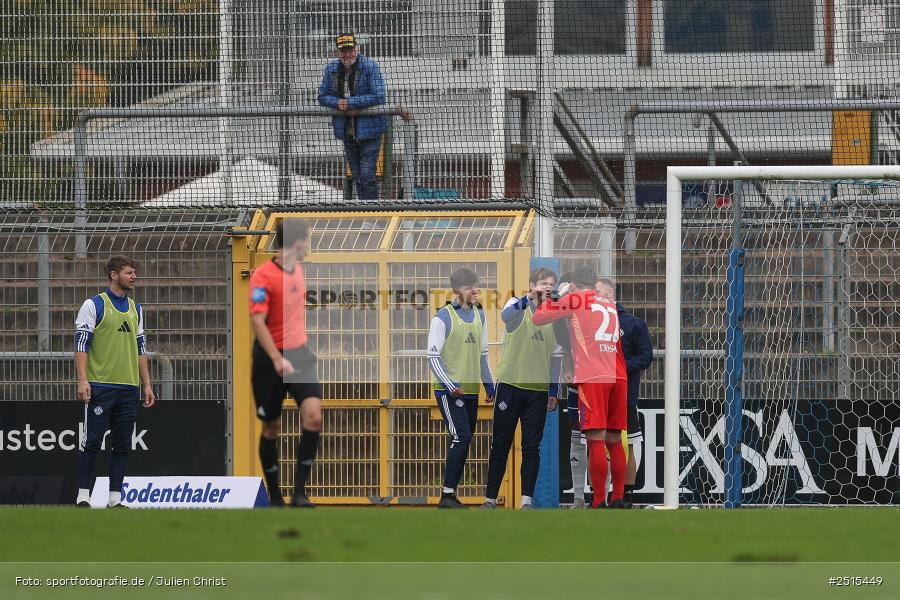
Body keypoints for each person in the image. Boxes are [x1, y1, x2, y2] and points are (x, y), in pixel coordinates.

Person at [532, 267, 628, 508]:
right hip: (618, 375)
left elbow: (539, 317)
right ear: (594, 282)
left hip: (593, 375)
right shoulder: (608, 302)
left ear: (573, 284)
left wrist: (558, 294)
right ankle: (617, 498)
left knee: (595, 439)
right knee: (614, 440)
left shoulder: (574, 298)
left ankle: (597, 501)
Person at [250, 219, 322, 508]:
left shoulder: (300, 271)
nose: (309, 245)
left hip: (299, 355)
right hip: (270, 361)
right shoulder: (263, 275)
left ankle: (300, 493)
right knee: (271, 428)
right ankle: (276, 496)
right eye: (307, 239)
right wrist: (277, 358)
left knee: (314, 416)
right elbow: (257, 320)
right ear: (296, 242)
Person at [74, 256, 155, 508]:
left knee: (122, 444)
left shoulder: (136, 309)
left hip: (128, 387)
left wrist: (147, 384)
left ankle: (115, 499)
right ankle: (83, 496)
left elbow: (141, 349)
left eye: (134, 272)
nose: (134, 277)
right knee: (92, 443)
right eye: (129, 273)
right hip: (101, 386)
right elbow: (81, 344)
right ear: (113, 275)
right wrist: (82, 380)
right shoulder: (93, 305)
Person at [482, 268, 561, 510]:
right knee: (501, 444)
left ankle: (526, 501)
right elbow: (506, 316)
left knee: (531, 447)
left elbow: (556, 357)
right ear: (531, 284)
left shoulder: (554, 316)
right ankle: (490, 500)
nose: (546, 288)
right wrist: (529, 298)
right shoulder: (518, 303)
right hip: (510, 386)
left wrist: (553, 391)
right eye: (542, 283)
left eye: (550, 284)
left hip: (536, 392)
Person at [427, 268, 495, 509]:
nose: (475, 291)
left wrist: (489, 384)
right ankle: (446, 496)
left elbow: (483, 354)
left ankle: (449, 495)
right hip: (449, 391)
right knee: (461, 436)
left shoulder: (480, 315)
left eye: (476, 286)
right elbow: (433, 357)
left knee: (464, 439)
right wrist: (450, 385)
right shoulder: (442, 318)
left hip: (471, 391)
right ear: (457, 292)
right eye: (469, 287)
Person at [595, 277, 653, 509]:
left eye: (598, 292)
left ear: (610, 295)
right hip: (596, 393)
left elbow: (645, 356)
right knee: (594, 443)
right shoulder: (590, 322)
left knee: (625, 444)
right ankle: (596, 496)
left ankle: (625, 496)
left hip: (625, 395)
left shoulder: (632, 324)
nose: (594, 297)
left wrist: (618, 368)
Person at [318, 33, 387, 200]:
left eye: (350, 50)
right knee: (357, 174)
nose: (347, 55)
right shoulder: (331, 69)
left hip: (370, 130)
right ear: (337, 52)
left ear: (357, 49)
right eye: (343, 51)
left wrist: (350, 103)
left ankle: (371, 212)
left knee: (367, 174)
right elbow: (322, 96)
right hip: (347, 131)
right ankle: (364, 209)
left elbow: (379, 96)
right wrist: (337, 103)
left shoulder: (370, 67)